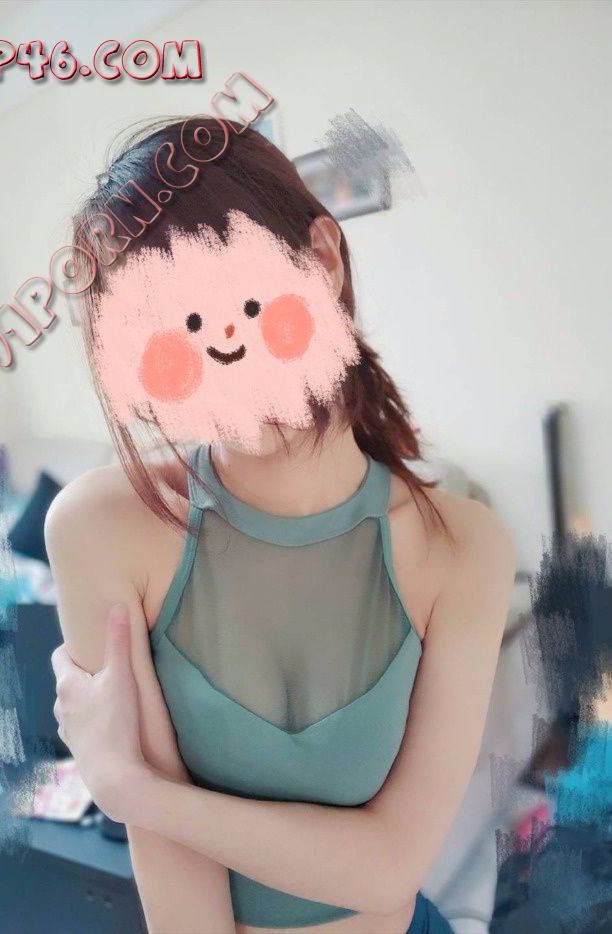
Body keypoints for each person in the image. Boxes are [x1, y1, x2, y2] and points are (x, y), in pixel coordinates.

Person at [46, 117, 516, 934]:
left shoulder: (463, 548)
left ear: (322, 259)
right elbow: (180, 900)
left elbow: (393, 864)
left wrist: (134, 792)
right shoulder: (106, 528)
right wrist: (145, 803)